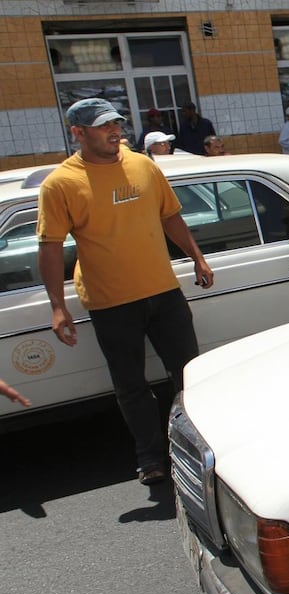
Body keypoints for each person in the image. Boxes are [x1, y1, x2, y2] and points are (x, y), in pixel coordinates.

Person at [36, 98, 214, 486]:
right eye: (103, 127)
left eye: (116, 124)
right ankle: (151, 457)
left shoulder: (143, 165)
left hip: (163, 291)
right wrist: (57, 307)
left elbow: (170, 216)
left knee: (188, 374)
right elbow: (50, 246)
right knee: (131, 385)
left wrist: (197, 257)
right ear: (78, 133)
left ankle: (203, 446)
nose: (114, 132)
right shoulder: (61, 183)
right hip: (110, 301)